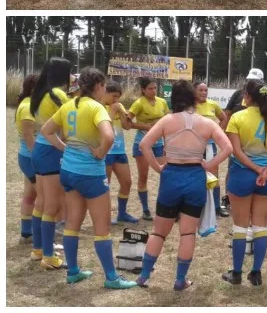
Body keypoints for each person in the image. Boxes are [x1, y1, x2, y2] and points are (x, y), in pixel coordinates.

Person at [40, 67, 137, 289]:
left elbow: (46, 130)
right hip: (90, 174)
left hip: (69, 172)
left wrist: (65, 148)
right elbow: (109, 136)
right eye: (104, 86)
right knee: (101, 228)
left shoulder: (68, 105)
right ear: (99, 86)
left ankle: (73, 271)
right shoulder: (96, 108)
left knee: (72, 224)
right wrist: (101, 153)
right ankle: (112, 278)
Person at [134, 80, 232, 290]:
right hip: (195, 177)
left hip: (171, 177)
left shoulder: (167, 120)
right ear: (193, 98)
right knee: (187, 233)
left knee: (159, 232)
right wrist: (208, 165)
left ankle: (143, 276)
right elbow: (227, 148)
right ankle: (180, 280)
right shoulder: (207, 123)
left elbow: (144, 145)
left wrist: (158, 168)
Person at [222, 80, 267, 286]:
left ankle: (237, 273)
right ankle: (256, 273)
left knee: (240, 226)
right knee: (260, 226)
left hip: (242, 175)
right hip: (266, 179)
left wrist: (257, 169)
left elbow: (236, 151)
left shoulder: (238, 117)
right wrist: (266, 170)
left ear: (248, 96)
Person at [30, 57, 72, 269]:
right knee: (52, 207)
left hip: (39, 149)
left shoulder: (38, 95)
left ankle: (38, 250)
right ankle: (49, 256)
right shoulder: (58, 95)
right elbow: (68, 122)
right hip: (51, 150)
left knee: (41, 202)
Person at [221, 68, 265, 216]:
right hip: (236, 136)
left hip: (257, 142)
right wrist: (223, 134)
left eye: (255, 80)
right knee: (232, 167)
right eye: (249, 79)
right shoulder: (238, 94)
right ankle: (228, 197)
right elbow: (226, 114)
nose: (250, 82)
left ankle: (253, 198)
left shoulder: (265, 99)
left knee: (254, 168)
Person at [128, 76, 170, 221]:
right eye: (150, 88)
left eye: (155, 88)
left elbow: (167, 121)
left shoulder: (162, 102)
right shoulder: (138, 103)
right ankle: (145, 209)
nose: (153, 91)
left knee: (166, 173)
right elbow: (127, 124)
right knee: (143, 176)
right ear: (143, 90)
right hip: (142, 143)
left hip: (159, 144)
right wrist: (147, 127)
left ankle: (165, 206)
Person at [102, 81, 138, 224]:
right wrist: (113, 110)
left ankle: (122, 214)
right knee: (105, 185)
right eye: (113, 96)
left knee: (127, 182)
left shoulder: (119, 106)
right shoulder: (99, 107)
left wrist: (124, 116)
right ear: (105, 93)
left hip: (119, 150)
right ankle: (104, 216)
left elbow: (127, 126)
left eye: (118, 97)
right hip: (106, 151)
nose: (116, 100)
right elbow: (105, 126)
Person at [194, 82, 228, 217]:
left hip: (210, 145)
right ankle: (196, 205)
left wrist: (217, 132)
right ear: (194, 91)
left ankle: (217, 207)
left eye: (205, 90)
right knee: (195, 174)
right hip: (194, 146)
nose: (203, 93)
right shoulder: (190, 106)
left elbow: (223, 118)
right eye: (200, 90)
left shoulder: (213, 104)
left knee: (214, 175)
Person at [16, 73, 39, 244]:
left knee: (30, 194)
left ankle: (26, 231)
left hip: (29, 157)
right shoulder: (27, 107)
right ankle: (39, 232)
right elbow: (28, 137)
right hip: (30, 158)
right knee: (44, 196)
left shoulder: (29, 104)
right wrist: (40, 158)